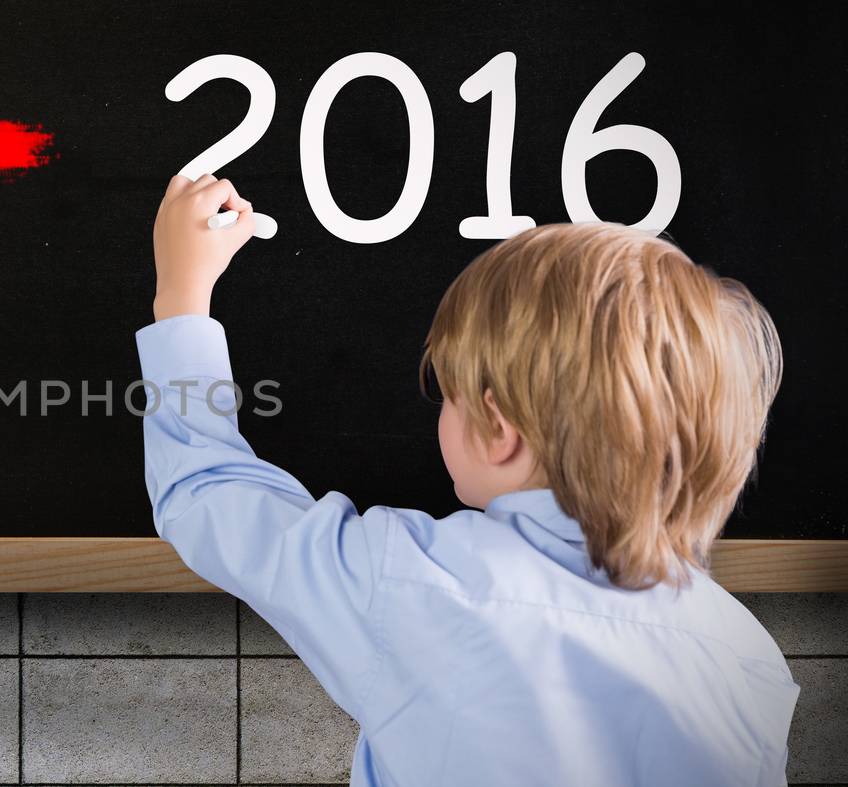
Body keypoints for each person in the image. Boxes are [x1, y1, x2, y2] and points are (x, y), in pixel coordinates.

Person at [139, 174, 797, 786]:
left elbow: (206, 494)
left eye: (445, 391)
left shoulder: (411, 582)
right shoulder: (746, 660)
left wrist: (182, 299)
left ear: (498, 427)